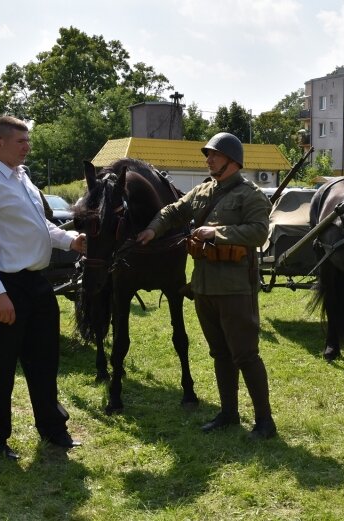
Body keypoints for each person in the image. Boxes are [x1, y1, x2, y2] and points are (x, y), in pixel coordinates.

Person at [0, 116, 86, 459]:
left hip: (35, 282)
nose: (27, 147)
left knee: (45, 359)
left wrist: (70, 240)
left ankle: (53, 429)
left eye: (28, 141)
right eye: (21, 142)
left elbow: (40, 224)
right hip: (3, 284)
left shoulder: (21, 177)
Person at [137, 132, 277, 439]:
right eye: (208, 154)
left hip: (236, 288)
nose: (208, 159)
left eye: (214, 154)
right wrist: (152, 229)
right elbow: (172, 211)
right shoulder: (202, 191)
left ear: (231, 160)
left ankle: (265, 421)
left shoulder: (250, 194)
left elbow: (258, 232)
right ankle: (228, 412)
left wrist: (215, 232)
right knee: (219, 353)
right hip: (204, 287)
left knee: (245, 354)